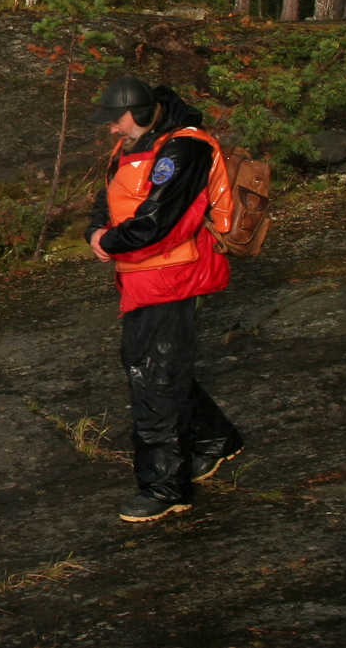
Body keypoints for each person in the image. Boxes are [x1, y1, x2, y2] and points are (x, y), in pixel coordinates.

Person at [87, 76, 244, 524]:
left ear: (137, 112)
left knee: (153, 375)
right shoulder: (135, 144)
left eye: (115, 121)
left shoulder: (185, 148)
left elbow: (162, 221)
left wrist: (111, 241)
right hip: (143, 274)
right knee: (155, 367)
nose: (112, 130)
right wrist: (96, 233)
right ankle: (215, 440)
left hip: (175, 275)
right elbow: (108, 196)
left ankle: (164, 487)